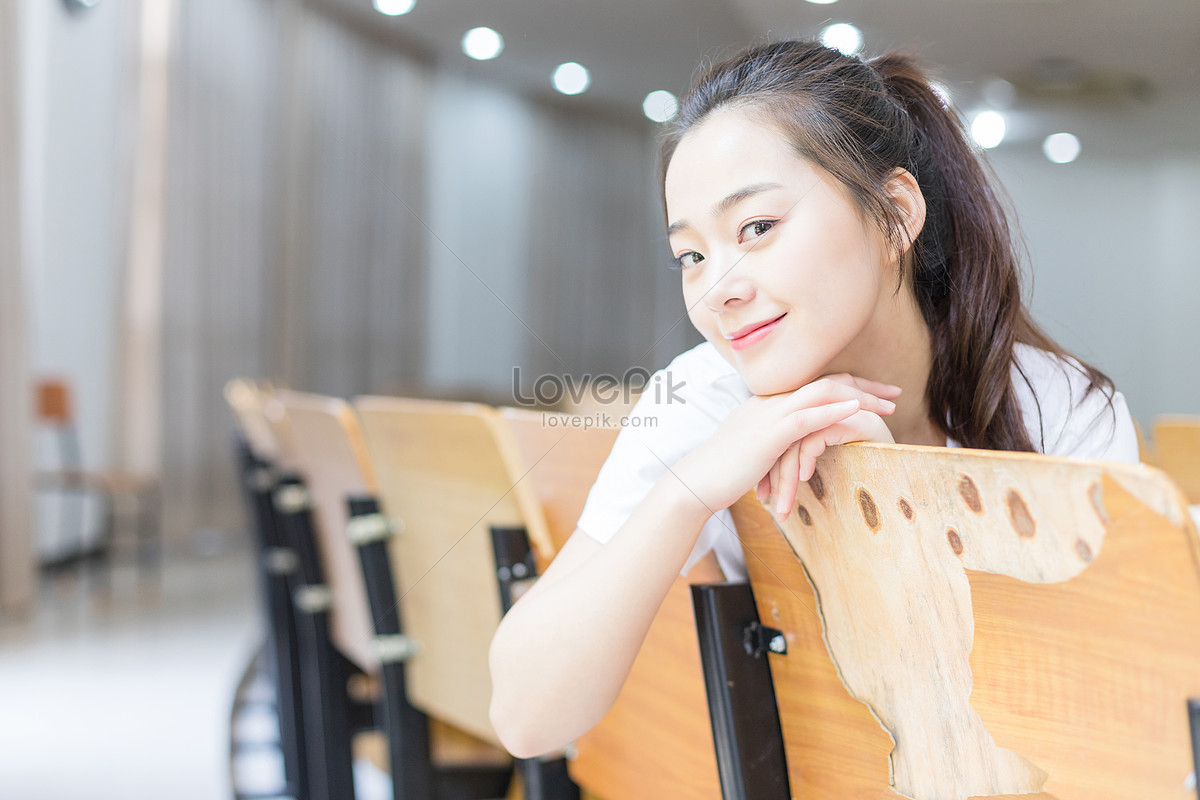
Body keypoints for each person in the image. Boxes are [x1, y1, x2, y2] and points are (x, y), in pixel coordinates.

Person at [487, 38, 1138, 758]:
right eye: (691, 256)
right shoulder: (706, 399)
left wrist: (888, 507)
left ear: (894, 212)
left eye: (757, 228)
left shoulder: (1059, 409)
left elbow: (1101, 717)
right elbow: (526, 716)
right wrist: (690, 491)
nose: (716, 289)